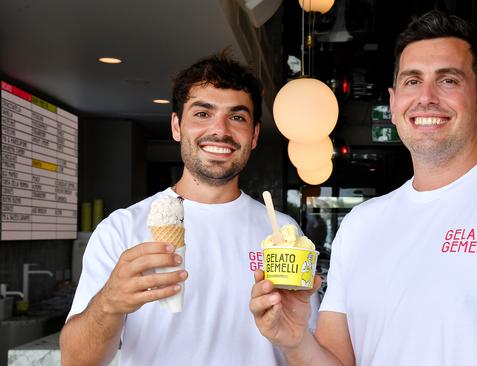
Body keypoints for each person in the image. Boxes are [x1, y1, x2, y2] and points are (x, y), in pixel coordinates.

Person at [250, 10, 477, 366]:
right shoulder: (360, 225)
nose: (426, 96)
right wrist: (296, 341)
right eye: (412, 80)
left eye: (448, 80)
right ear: (395, 105)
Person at [60, 52, 318, 365]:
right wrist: (108, 303)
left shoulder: (284, 233)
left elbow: (305, 348)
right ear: (176, 126)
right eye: (202, 114)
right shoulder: (122, 229)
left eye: (237, 117)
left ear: (254, 136)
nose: (220, 130)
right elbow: (75, 361)